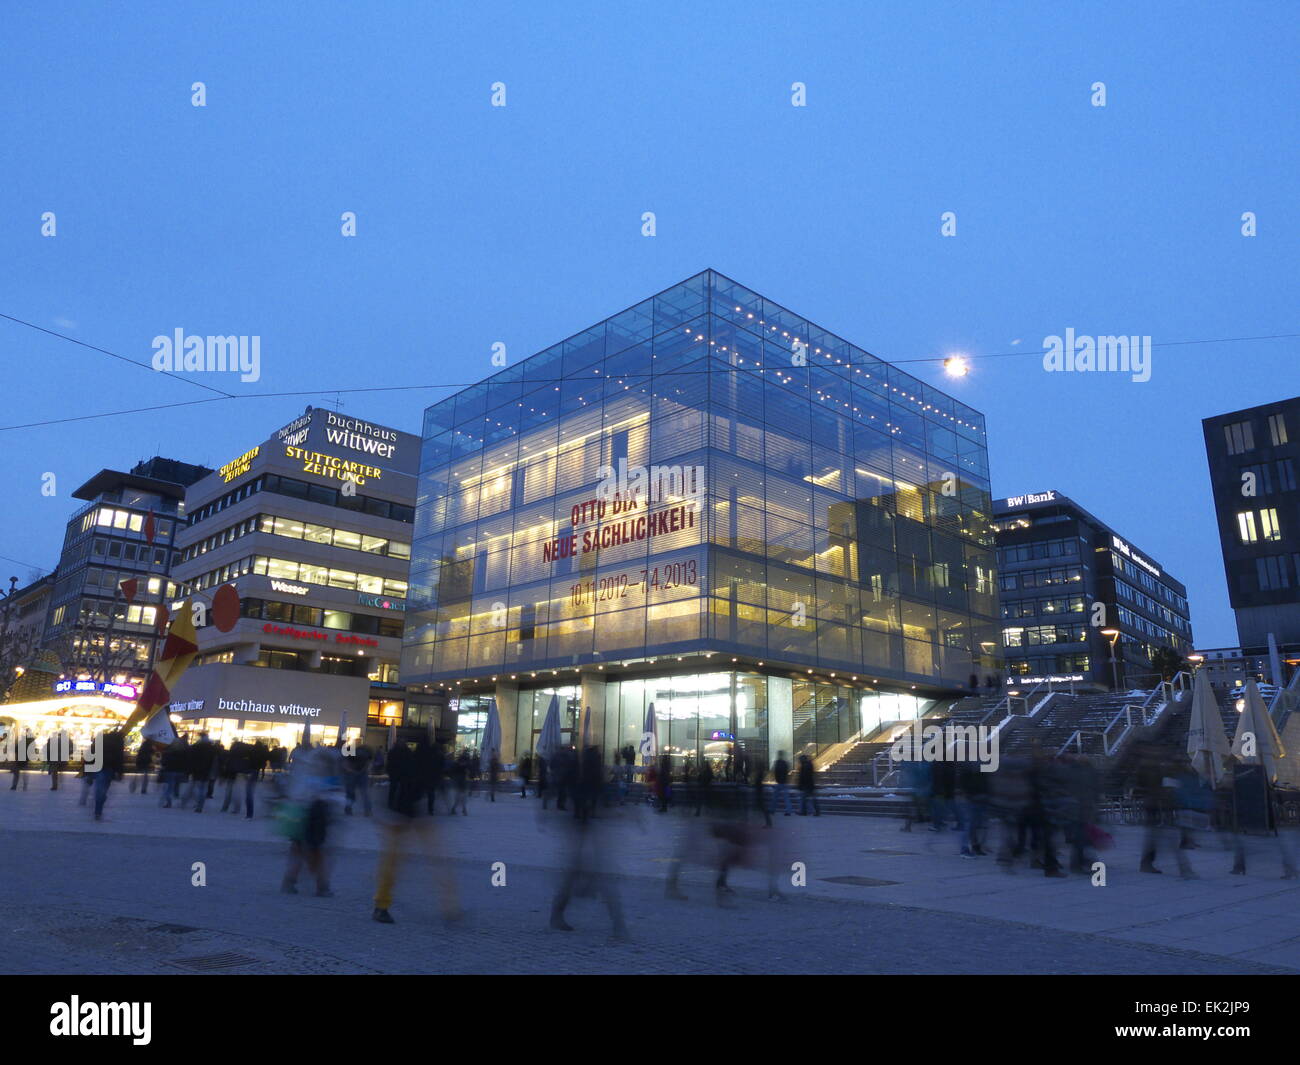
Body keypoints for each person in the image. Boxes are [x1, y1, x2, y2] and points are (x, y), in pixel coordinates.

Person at [372, 734, 461, 924]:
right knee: (433, 859)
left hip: (403, 814)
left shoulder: (411, 764)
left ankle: (382, 905)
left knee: (395, 862)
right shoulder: (425, 767)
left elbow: (397, 785)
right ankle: (449, 906)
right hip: (406, 816)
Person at [280, 744, 342, 897]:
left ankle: (298, 882)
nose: (320, 764)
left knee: (306, 851)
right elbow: (334, 798)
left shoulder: (311, 775)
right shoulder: (320, 777)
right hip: (310, 815)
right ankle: (318, 885)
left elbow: (296, 793)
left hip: (309, 816)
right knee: (309, 851)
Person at [91, 727, 125, 821]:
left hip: (98, 767)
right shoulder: (118, 743)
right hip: (109, 769)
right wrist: (120, 772)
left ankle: (98, 809)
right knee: (103, 790)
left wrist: (87, 772)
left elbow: (90, 755)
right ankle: (98, 809)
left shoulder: (99, 740)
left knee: (99, 790)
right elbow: (120, 759)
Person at [186, 732, 218, 812]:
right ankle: (200, 805)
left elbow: (191, 759)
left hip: (197, 770)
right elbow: (215, 760)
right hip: (207, 771)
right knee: (203, 789)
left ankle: (198, 804)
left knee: (197, 788)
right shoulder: (212, 748)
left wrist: (190, 770)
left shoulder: (196, 746)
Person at [344, 740, 374, 816]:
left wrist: (350, 770)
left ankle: (348, 809)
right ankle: (367, 810)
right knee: (364, 792)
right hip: (361, 773)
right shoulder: (366, 751)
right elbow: (368, 763)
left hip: (353, 773)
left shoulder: (351, 750)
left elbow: (346, 763)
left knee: (350, 792)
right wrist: (364, 770)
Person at [771, 751, 792, 816]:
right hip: (784, 782)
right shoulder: (785, 763)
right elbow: (788, 771)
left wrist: (775, 778)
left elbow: (774, 771)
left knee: (775, 798)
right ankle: (788, 811)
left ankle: (772, 810)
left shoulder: (777, 762)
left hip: (779, 782)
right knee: (786, 798)